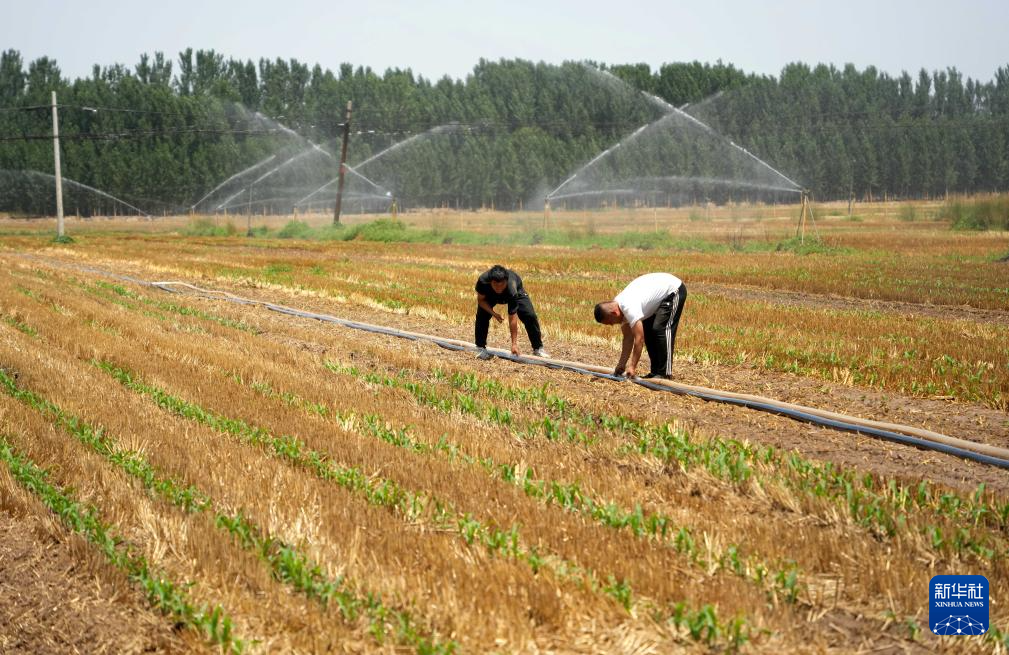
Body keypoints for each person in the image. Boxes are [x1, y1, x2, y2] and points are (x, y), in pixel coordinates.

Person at [593, 272, 687, 379]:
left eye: (610, 322)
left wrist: (632, 366)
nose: (611, 325)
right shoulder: (618, 308)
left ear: (614, 313)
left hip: (673, 290)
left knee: (660, 329)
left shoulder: (628, 307)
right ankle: (655, 372)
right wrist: (621, 365)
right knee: (648, 330)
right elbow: (628, 338)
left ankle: (664, 373)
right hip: (657, 294)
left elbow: (639, 339)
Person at [474, 265, 549, 360]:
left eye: (501, 285)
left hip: (517, 292)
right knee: (482, 315)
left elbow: (512, 317)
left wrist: (514, 344)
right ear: (490, 282)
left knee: (530, 316)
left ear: (506, 281)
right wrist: (493, 313)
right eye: (495, 285)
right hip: (490, 295)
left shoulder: (511, 288)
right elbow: (481, 301)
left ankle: (538, 348)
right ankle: (480, 348)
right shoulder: (483, 281)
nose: (499, 288)